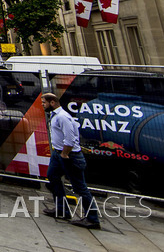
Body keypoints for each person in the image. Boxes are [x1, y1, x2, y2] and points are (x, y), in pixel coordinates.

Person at [41, 92, 100, 229]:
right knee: (52, 177)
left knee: (80, 188)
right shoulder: (55, 116)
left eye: (44, 103)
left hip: (69, 156)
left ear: (52, 103)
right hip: (58, 153)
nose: (43, 105)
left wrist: (64, 154)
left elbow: (70, 139)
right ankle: (62, 209)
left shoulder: (63, 117)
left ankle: (92, 219)